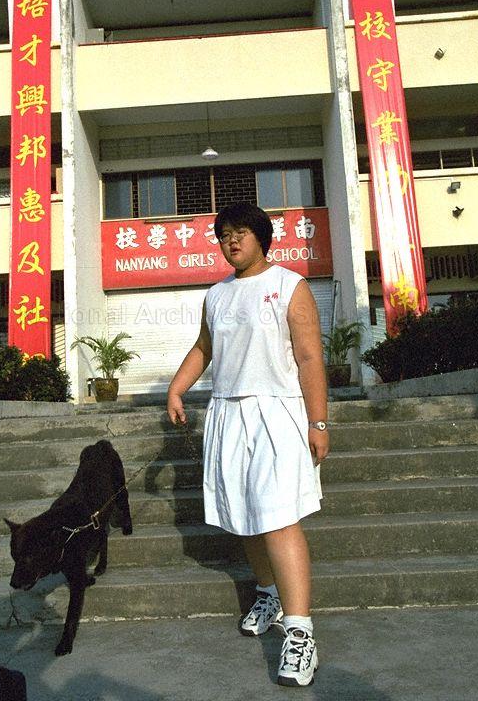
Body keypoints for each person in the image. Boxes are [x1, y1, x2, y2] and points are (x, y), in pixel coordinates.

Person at [167, 202, 329, 687]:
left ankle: (301, 636)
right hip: (227, 414)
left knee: (277, 519)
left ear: (261, 237)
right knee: (244, 518)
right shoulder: (216, 295)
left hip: (276, 412)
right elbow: (204, 348)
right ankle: (268, 592)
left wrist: (318, 422)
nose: (231, 241)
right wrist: (177, 388)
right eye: (223, 235)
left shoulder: (289, 286)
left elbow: (308, 357)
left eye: (240, 233)